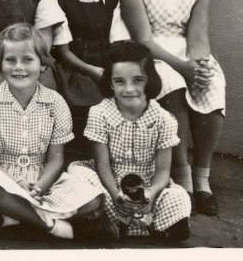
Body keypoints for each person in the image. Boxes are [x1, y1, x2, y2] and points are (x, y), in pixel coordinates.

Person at [119, 0, 225, 215]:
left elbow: (198, 37)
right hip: (151, 54)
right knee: (172, 86)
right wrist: (184, 70)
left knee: (213, 85)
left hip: (186, 53)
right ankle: (183, 176)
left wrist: (199, 68)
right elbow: (143, 40)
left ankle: (202, 178)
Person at [0, 24, 110, 240]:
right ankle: (51, 225)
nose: (19, 67)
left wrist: (39, 187)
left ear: (43, 65)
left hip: (43, 181)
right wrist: (16, 184)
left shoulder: (55, 102)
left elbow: (56, 159)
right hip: (3, 178)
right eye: (10, 60)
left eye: (28, 59)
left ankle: (19, 217)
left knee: (94, 199)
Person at [68, 42, 192, 240]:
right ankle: (109, 224)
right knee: (79, 176)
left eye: (137, 80)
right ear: (110, 83)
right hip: (109, 185)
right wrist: (116, 194)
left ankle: (139, 225)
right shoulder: (100, 113)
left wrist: (151, 193)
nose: (128, 89)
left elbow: (163, 172)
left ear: (149, 80)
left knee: (178, 197)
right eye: (119, 81)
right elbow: (102, 166)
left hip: (147, 186)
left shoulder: (164, 119)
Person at [52, 0, 130, 138]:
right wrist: (94, 71)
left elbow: (118, 42)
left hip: (106, 65)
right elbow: (63, 52)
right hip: (74, 67)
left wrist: (112, 71)